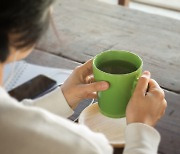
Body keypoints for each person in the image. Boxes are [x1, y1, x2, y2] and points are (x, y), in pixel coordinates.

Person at [0, 0, 167, 154]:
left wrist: (63, 97)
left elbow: (12, 120)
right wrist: (142, 132)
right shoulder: (84, 146)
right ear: (20, 25)